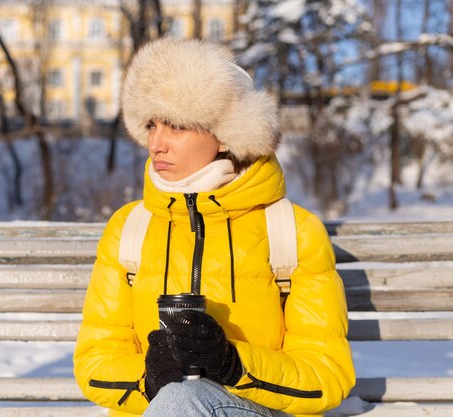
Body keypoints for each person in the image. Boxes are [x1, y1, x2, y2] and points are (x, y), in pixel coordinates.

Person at [73, 38, 355, 417]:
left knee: (180, 402)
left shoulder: (290, 231)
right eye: (151, 125)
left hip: (256, 408)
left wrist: (234, 364)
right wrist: (147, 380)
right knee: (175, 401)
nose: (156, 143)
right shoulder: (130, 228)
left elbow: (328, 374)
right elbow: (95, 361)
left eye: (176, 125)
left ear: (224, 135)